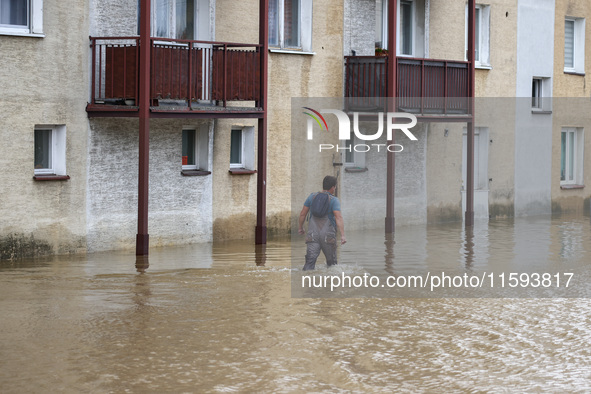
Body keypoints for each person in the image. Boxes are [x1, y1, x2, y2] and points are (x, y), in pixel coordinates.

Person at [298, 175, 347, 270]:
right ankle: (329, 283)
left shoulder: (312, 197)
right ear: (333, 187)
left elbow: (302, 214)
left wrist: (301, 227)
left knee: (309, 264)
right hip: (328, 236)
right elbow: (338, 217)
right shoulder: (334, 200)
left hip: (312, 235)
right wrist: (342, 235)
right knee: (332, 266)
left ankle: (307, 283)